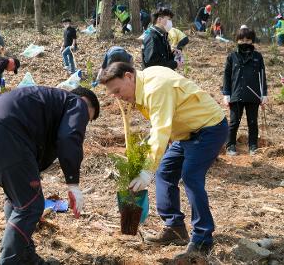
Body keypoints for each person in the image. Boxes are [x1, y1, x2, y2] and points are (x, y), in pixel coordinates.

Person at [99, 62, 227, 257]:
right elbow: (160, 125)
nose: (118, 97)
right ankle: (175, 228)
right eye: (113, 94)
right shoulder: (143, 83)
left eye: (117, 90)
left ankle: (202, 238)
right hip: (184, 133)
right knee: (165, 172)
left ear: (128, 76)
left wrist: (146, 170)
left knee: (190, 176)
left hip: (208, 128)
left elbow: (161, 130)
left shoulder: (156, 87)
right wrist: (147, 148)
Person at [0, 86, 100, 264]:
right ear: (85, 103)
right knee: (30, 207)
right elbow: (69, 138)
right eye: (86, 119)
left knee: (18, 199)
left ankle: (26, 258)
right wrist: (73, 183)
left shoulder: (47, 101)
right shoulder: (77, 103)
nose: (83, 124)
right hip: (2, 131)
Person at [222, 27, 268, 156]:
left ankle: (253, 146)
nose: (244, 42)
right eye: (241, 40)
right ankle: (230, 145)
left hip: (253, 95)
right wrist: (226, 93)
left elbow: (262, 75)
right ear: (237, 40)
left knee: (253, 122)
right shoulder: (232, 56)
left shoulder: (257, 57)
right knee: (234, 122)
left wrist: (264, 94)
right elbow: (226, 75)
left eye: (248, 40)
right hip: (236, 94)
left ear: (252, 41)